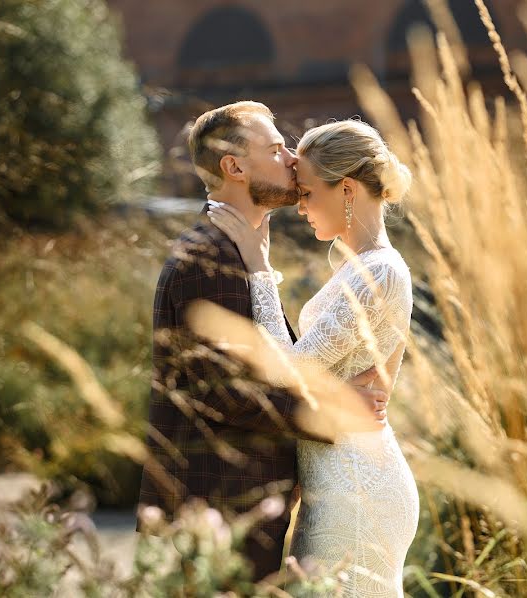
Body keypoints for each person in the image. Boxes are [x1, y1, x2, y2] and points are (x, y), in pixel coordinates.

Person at [136, 101, 390, 581]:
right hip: (215, 510)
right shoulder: (206, 258)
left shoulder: (237, 249)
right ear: (233, 167)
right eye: (276, 150)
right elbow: (225, 391)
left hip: (241, 509)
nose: (292, 160)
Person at [209, 118, 419, 597]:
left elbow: (289, 374)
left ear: (347, 189)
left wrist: (259, 269)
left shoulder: (381, 272)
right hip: (333, 479)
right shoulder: (358, 265)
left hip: (357, 489)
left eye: (306, 193)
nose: (299, 207)